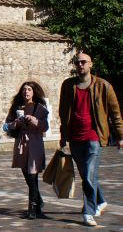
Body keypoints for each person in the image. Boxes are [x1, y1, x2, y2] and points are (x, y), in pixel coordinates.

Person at [58, 52, 123, 227]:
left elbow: (115, 113)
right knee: (87, 174)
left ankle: (88, 211)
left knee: (89, 174)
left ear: (90, 64)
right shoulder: (68, 85)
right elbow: (63, 113)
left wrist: (120, 135)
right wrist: (63, 135)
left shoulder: (104, 86)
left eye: (83, 62)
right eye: (77, 62)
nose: (80, 65)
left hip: (94, 136)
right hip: (75, 137)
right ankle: (100, 200)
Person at [5, 82, 49, 220]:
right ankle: (39, 203)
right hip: (21, 144)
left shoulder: (39, 108)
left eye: (29, 89)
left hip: (35, 142)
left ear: (34, 92)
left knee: (32, 175)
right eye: (24, 90)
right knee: (27, 176)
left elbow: (45, 127)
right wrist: (15, 123)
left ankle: (32, 209)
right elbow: (6, 126)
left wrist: (34, 120)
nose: (26, 92)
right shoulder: (16, 108)